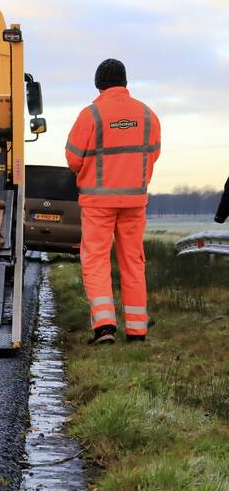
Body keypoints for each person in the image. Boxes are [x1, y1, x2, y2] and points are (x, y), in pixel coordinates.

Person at [65, 59, 161, 344]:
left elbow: (72, 159)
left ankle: (104, 328)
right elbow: (153, 153)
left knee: (96, 260)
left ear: (98, 83)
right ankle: (137, 331)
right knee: (133, 261)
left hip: (97, 203)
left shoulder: (90, 115)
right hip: (134, 201)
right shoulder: (147, 115)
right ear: (125, 81)